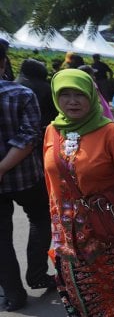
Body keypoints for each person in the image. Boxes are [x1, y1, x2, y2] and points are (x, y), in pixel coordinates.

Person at [43, 69, 114, 316]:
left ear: (92, 96)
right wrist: (54, 216)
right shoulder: (52, 130)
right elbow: (51, 176)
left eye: (79, 94)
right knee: (78, 278)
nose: (72, 101)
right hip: (66, 223)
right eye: (65, 95)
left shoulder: (111, 132)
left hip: (105, 218)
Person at [0, 46, 54, 312]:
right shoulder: (21, 94)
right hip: (26, 176)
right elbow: (28, 137)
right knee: (41, 218)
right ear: (4, 63)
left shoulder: (24, 89)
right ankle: (37, 275)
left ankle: (13, 293)